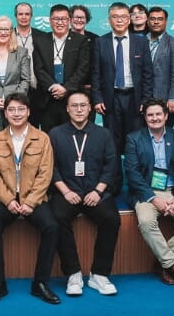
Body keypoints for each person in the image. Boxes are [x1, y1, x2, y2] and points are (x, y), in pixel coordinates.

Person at [0, 93, 61, 305]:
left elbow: (46, 174)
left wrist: (29, 202)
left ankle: (40, 283)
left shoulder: (42, 138)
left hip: (32, 198)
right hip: (6, 198)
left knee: (52, 227)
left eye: (21, 109)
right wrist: (8, 200)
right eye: (12, 110)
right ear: (5, 112)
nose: (16, 114)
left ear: (28, 111)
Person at [124, 98, 174, 288]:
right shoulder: (133, 139)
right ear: (145, 118)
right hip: (146, 193)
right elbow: (132, 174)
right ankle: (171, 265)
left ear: (166, 116)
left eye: (158, 114)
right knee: (145, 221)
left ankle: (162, 263)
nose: (154, 118)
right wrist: (153, 198)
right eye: (150, 115)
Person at [49, 90, 121, 296]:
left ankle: (99, 274)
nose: (79, 109)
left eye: (83, 105)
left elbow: (111, 166)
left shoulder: (103, 133)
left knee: (111, 219)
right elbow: (50, 167)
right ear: (67, 109)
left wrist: (98, 191)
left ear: (90, 108)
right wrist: (65, 191)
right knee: (57, 218)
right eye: (74, 105)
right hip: (67, 192)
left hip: (94, 192)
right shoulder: (55, 134)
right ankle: (73, 274)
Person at [91, 2, 153, 194]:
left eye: (123, 16)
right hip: (111, 99)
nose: (119, 20)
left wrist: (146, 100)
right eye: (115, 17)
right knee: (112, 144)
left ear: (129, 19)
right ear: (109, 20)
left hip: (134, 99)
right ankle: (114, 185)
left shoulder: (141, 42)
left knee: (136, 143)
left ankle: (137, 186)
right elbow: (96, 74)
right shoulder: (100, 42)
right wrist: (97, 98)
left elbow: (147, 73)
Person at [32, 4, 90, 133]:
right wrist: (53, 86)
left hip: (72, 97)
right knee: (49, 137)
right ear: (50, 21)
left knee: (72, 137)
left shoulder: (81, 40)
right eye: (56, 19)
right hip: (47, 99)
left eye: (63, 19)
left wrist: (65, 88)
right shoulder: (40, 40)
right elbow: (38, 68)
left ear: (69, 21)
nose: (60, 23)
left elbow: (83, 69)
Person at [147, 6, 174, 127]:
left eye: (160, 19)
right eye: (152, 19)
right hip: (143, 99)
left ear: (166, 21)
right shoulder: (140, 41)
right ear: (148, 21)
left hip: (165, 99)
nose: (156, 22)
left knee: (165, 133)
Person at [13, 2, 45, 125]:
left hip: (36, 89)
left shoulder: (42, 36)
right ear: (15, 16)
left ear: (31, 16)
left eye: (27, 14)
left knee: (35, 127)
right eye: (20, 14)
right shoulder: (7, 35)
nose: (24, 17)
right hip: (15, 89)